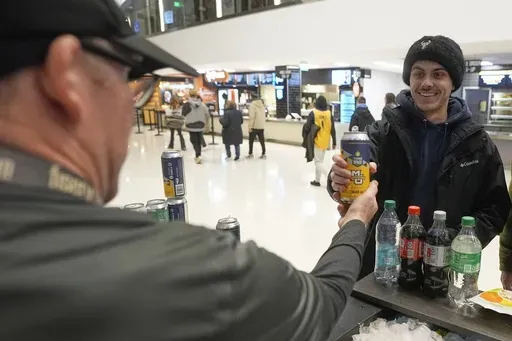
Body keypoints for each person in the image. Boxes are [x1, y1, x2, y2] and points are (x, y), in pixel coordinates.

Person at [0, 1, 382, 340]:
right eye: (126, 77)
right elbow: (322, 306)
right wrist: (357, 217)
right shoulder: (195, 272)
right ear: (67, 77)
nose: (131, 103)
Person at [327, 35, 512, 279]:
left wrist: (459, 241)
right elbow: (356, 169)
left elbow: (495, 208)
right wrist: (337, 179)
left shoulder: (477, 143)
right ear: (409, 79)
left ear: (453, 82)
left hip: (444, 272)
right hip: (380, 266)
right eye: (418, 73)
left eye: (438, 74)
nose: (426, 83)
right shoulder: (383, 132)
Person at [303, 96, 337, 187]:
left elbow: (307, 126)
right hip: (326, 141)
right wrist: (334, 142)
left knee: (318, 162)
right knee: (320, 161)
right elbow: (332, 129)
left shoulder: (313, 113)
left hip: (317, 140)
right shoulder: (329, 114)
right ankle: (317, 180)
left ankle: (330, 176)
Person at [183, 89, 209, 164]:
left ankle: (198, 155)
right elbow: (207, 114)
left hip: (191, 125)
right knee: (198, 140)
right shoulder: (202, 104)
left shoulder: (186, 104)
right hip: (200, 125)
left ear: (189, 95)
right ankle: (198, 154)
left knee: (194, 141)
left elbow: (183, 114)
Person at [247, 94, 267, 159]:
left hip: (254, 126)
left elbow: (252, 117)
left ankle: (250, 154)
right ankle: (263, 153)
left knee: (251, 141)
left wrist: (250, 127)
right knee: (262, 141)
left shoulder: (252, 105)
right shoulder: (262, 105)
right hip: (261, 126)